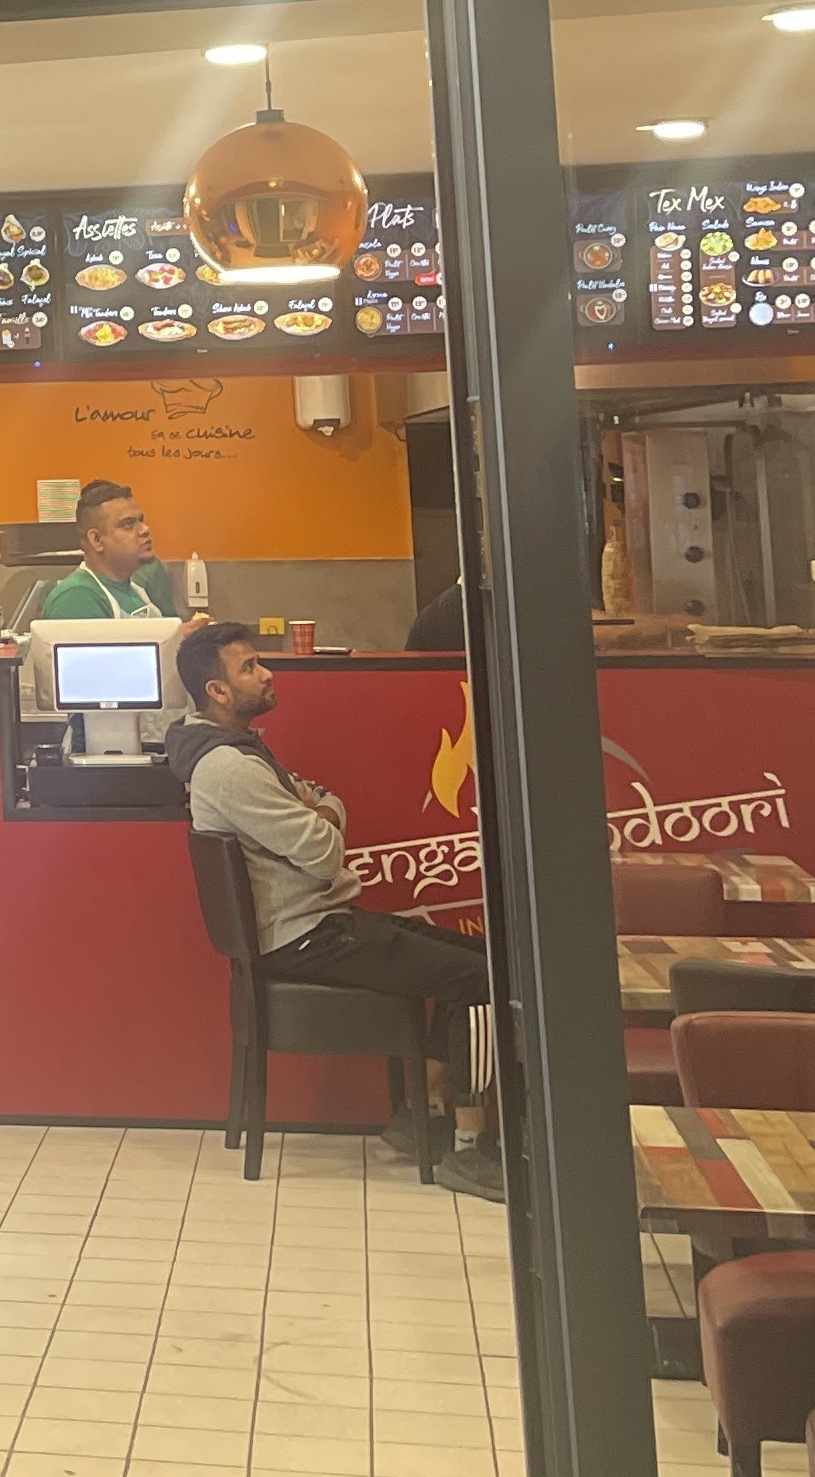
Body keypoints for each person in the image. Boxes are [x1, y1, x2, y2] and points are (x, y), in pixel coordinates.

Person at [166, 612, 498, 1191]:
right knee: (483, 978)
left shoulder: (234, 750)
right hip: (308, 936)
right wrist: (320, 815)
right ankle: (471, 1150)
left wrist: (318, 811)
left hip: (319, 925)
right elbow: (323, 852)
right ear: (217, 691)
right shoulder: (229, 767)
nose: (266, 674)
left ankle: (426, 1117)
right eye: (250, 668)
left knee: (479, 959)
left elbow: (323, 800)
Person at [39, 479, 177, 623]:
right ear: (96, 540)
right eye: (128, 525)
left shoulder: (135, 591)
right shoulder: (76, 598)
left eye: (141, 521)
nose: (144, 529)